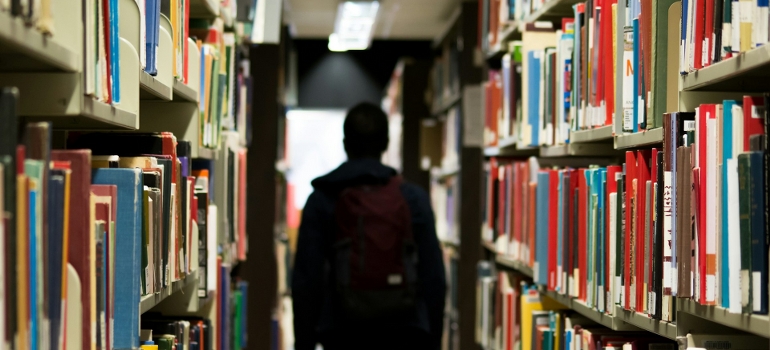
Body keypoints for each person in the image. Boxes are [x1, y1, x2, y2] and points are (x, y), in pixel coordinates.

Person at [292, 102, 446, 350]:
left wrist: (304, 343)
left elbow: (306, 280)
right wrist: (433, 340)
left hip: (342, 332)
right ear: (385, 144)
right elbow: (434, 277)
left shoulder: (322, 199)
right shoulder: (412, 198)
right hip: (403, 331)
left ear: (345, 144)